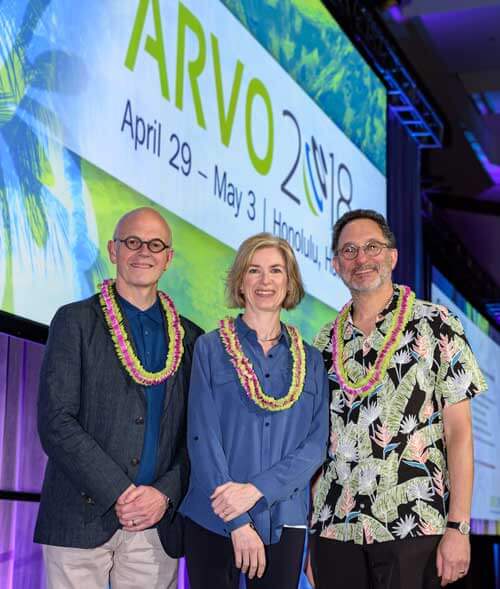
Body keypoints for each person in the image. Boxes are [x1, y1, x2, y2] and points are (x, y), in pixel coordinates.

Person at [309, 209, 487, 589]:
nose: (361, 259)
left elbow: (460, 432)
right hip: (334, 530)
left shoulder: (437, 323)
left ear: (392, 256)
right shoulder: (323, 343)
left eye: (372, 247)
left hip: (414, 525)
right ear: (336, 264)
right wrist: (311, 535)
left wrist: (459, 527)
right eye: (350, 250)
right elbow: (314, 444)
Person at [34, 207, 203, 588]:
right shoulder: (74, 320)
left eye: (155, 244)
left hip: (156, 524)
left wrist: (163, 495)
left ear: (168, 258)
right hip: (78, 517)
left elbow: (198, 435)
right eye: (132, 242)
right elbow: (56, 421)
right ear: (113, 250)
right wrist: (121, 492)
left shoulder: (193, 339)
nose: (143, 251)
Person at [179, 232, 329, 589]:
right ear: (240, 282)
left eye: (276, 271)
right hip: (213, 517)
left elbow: (315, 446)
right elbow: (202, 436)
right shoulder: (209, 348)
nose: (266, 281)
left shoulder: (311, 360)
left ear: (289, 282)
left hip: (284, 518)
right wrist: (238, 520)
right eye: (254, 270)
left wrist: (256, 491)